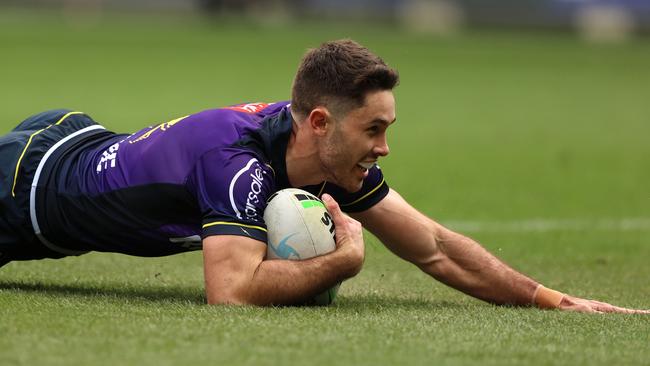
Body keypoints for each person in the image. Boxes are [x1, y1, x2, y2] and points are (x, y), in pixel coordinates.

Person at [0, 40, 647, 313]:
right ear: (319, 121)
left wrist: (552, 301)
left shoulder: (326, 157)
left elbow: (437, 249)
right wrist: (339, 264)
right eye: (374, 130)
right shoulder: (234, 163)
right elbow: (230, 293)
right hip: (18, 190)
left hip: (76, 137)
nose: (384, 148)